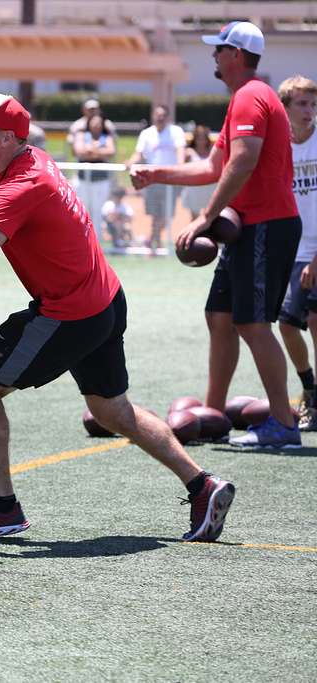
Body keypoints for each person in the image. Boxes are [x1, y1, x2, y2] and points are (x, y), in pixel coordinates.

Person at [0, 93, 235, 542]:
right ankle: (203, 486)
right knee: (112, 411)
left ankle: (1, 508)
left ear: (7, 137)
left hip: (68, 312)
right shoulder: (18, 160)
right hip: (104, 299)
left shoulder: (22, 185)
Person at [131, 21, 302, 448]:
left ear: (236, 55)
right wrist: (157, 174)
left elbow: (242, 162)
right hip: (248, 228)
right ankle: (213, 414)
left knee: (254, 323)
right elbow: (212, 167)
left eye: (219, 49)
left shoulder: (250, 96)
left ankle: (283, 425)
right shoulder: (242, 99)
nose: (213, 57)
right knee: (220, 317)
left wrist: (204, 217)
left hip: (266, 225)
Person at [275, 75, 317, 430]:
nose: (309, 111)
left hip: (316, 252)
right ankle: (310, 389)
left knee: (316, 321)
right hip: (292, 250)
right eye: (302, 104)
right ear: (285, 108)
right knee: (288, 325)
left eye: (313, 104)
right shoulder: (279, 146)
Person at [127, 104, 185, 253]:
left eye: (163, 115)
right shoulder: (146, 134)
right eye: (157, 115)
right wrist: (130, 162)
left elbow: (180, 153)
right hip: (151, 180)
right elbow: (138, 154)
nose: (160, 118)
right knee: (154, 213)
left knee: (167, 214)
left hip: (170, 180)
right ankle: (156, 240)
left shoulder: (176, 132)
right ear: (153, 116)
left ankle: (152, 238)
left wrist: (181, 170)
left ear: (167, 117)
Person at [72, 112, 116, 243]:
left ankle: (96, 243)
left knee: (98, 212)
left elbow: (110, 152)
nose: (96, 125)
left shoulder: (106, 136)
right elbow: (79, 151)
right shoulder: (81, 135)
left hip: (101, 181)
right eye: (93, 122)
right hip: (83, 181)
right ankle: (81, 241)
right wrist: (99, 152)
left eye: (98, 123)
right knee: (82, 211)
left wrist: (91, 151)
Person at [181, 124, 218, 220]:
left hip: (210, 189)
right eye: (198, 138)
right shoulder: (189, 152)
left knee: (209, 218)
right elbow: (182, 168)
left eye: (203, 138)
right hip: (194, 190)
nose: (201, 141)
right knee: (194, 219)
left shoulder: (213, 151)